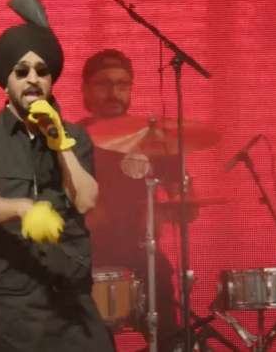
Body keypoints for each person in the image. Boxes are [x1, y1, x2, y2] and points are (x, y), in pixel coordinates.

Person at [0, 21, 114, 352]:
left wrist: (60, 143)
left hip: (68, 289)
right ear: (6, 81)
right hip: (9, 294)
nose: (33, 78)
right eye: (22, 71)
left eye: (42, 71)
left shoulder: (75, 136)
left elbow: (85, 200)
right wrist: (22, 208)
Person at [78, 48, 185, 350]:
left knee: (167, 325)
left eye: (122, 85)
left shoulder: (152, 138)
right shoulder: (69, 140)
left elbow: (183, 199)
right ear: (85, 89)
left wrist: (171, 209)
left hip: (141, 253)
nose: (114, 93)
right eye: (104, 84)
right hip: (85, 254)